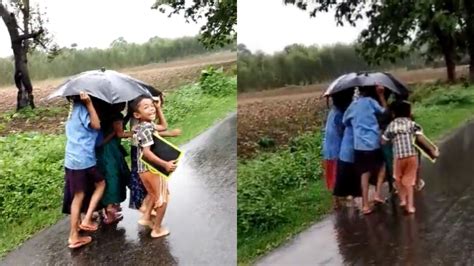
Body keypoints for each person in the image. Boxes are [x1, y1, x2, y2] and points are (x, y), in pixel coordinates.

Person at [62, 92, 105, 249]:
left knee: (81, 193)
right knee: (93, 188)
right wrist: (89, 104)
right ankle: (75, 234)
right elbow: (96, 125)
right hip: (83, 158)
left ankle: (82, 222)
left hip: (73, 157)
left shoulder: (72, 108)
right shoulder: (82, 107)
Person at [130, 95, 178, 238]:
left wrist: (158, 108)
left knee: (152, 195)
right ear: (137, 114)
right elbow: (147, 153)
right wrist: (165, 164)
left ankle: (145, 218)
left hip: (142, 169)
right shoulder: (145, 129)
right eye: (146, 107)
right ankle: (157, 229)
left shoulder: (143, 126)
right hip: (152, 169)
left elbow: (163, 126)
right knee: (162, 198)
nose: (151, 108)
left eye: (151, 105)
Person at [382, 101, 438, 213]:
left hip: (398, 157)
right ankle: (410, 207)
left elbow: (383, 141)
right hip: (412, 156)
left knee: (398, 179)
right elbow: (421, 139)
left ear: (393, 114)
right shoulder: (412, 125)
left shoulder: (391, 126)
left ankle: (402, 200)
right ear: (409, 113)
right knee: (410, 182)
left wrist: (391, 140)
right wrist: (432, 150)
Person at [343, 84, 388, 214]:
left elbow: (345, 121)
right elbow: (385, 112)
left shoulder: (353, 106)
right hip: (373, 143)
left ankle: (365, 205)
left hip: (359, 145)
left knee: (364, 173)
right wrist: (381, 95)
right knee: (382, 166)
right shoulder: (371, 102)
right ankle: (377, 194)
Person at [96, 102, 132, 224]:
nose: (123, 104)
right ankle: (110, 209)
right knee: (113, 178)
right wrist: (138, 132)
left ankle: (108, 207)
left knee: (108, 178)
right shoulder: (116, 116)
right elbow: (120, 133)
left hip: (103, 151)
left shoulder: (102, 115)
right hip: (110, 152)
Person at [333, 89, 362, 206]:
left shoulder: (344, 110)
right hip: (350, 150)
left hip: (346, 151)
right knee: (347, 177)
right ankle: (345, 199)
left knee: (343, 177)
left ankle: (341, 200)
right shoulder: (352, 109)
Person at [322, 95, 344, 208]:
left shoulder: (332, 112)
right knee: (337, 173)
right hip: (336, 148)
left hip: (327, 148)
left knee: (332, 174)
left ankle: (336, 200)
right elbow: (341, 131)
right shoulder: (339, 114)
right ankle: (338, 199)